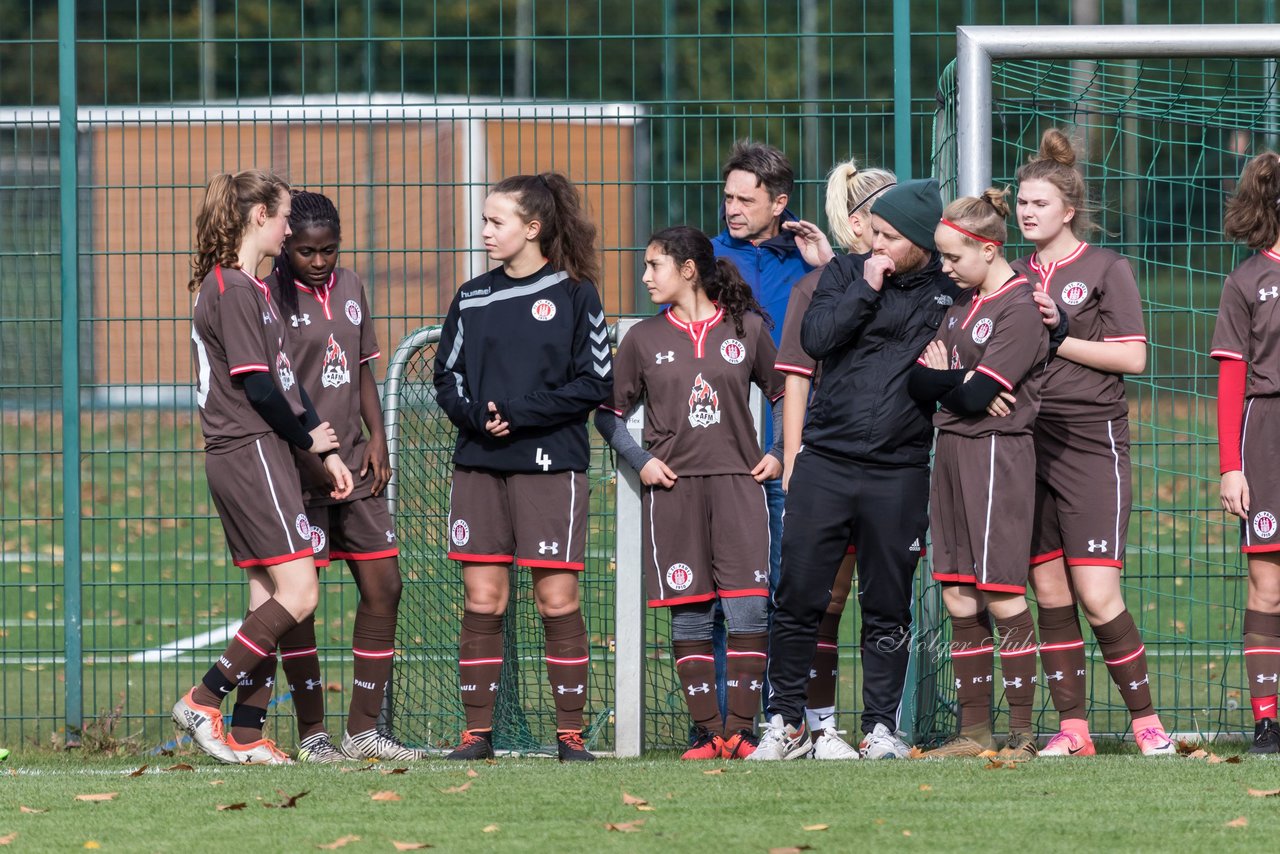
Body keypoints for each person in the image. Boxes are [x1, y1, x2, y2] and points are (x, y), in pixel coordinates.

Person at [750, 179, 1066, 762]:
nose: (875, 240)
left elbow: (1004, 299)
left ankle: (879, 729)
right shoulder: (846, 275)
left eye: (890, 236)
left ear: (921, 242)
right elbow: (817, 338)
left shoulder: (949, 289)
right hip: (826, 459)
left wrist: (1059, 320)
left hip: (899, 469)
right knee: (798, 596)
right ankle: (785, 722)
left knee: (887, 603)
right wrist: (866, 287)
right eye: (873, 231)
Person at [228, 190, 422, 763]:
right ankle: (313, 734)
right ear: (286, 245)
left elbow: (362, 366)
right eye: (307, 251)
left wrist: (379, 433)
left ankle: (363, 730)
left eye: (329, 251)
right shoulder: (267, 298)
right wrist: (313, 454)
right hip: (295, 467)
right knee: (298, 600)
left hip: (354, 461)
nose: (318, 261)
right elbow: (274, 391)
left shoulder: (355, 286)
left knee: (384, 584)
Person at [174, 170, 353, 764]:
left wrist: (322, 451)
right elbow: (258, 386)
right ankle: (204, 699)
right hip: (250, 449)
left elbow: (284, 383)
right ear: (258, 218)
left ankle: (247, 735)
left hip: (254, 451)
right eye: (281, 217)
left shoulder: (248, 287)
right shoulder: (230, 289)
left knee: (266, 597)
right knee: (299, 593)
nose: (288, 225)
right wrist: (306, 438)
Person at [432, 172, 612, 763]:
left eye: (496, 221)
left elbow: (593, 382)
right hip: (480, 462)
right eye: (484, 220)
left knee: (557, 600)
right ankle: (477, 736)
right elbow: (446, 377)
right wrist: (479, 419)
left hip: (550, 465)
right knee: (483, 600)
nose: (484, 231)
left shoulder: (575, 293)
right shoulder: (471, 295)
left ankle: (570, 738)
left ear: (533, 228)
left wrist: (519, 414)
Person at [1010, 129, 1175, 757]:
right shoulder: (1014, 274)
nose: (1027, 213)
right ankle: (1073, 731)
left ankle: (1147, 724)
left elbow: (1133, 356)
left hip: (1091, 442)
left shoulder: (1106, 268)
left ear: (1068, 210)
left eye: (1039, 203)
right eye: (1022, 203)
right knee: (1048, 592)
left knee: (1099, 592)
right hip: (1025, 442)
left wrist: (1059, 337)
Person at [595, 226, 784, 759]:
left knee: (749, 612)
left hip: (738, 487)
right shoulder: (642, 339)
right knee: (691, 612)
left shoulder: (745, 328)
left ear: (688, 270)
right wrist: (643, 461)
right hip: (674, 492)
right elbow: (607, 415)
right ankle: (706, 733)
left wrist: (780, 450)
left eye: (654, 265)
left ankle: (743, 732)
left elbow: (785, 391)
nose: (645, 275)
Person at [907, 190, 1049, 759]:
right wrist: (960, 385)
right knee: (960, 595)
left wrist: (961, 385)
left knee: (1001, 591)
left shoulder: (1020, 306)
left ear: (988, 250)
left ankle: (1021, 733)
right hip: (952, 451)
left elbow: (978, 395)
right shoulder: (959, 306)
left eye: (953, 257)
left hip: (998, 453)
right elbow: (922, 385)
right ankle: (974, 732)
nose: (945, 268)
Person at [772, 158, 898, 759]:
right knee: (822, 596)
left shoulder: (908, 284)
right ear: (858, 223)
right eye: (885, 217)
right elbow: (796, 380)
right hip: (827, 459)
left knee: (878, 595)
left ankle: (877, 725)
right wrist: (794, 460)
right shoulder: (813, 286)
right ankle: (817, 726)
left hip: (886, 463)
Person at [711, 140, 824, 720]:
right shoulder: (703, 259)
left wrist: (828, 265)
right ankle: (722, 719)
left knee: (787, 574)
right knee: (721, 581)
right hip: (720, 415)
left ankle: (787, 713)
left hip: (791, 413)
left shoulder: (808, 260)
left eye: (745, 199)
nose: (732, 208)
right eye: (727, 196)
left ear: (778, 202)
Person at [1213, 150, 1280, 755]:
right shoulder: (1247, 281)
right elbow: (1232, 380)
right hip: (1269, 438)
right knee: (1267, 584)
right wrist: (1231, 466)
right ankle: (1267, 719)